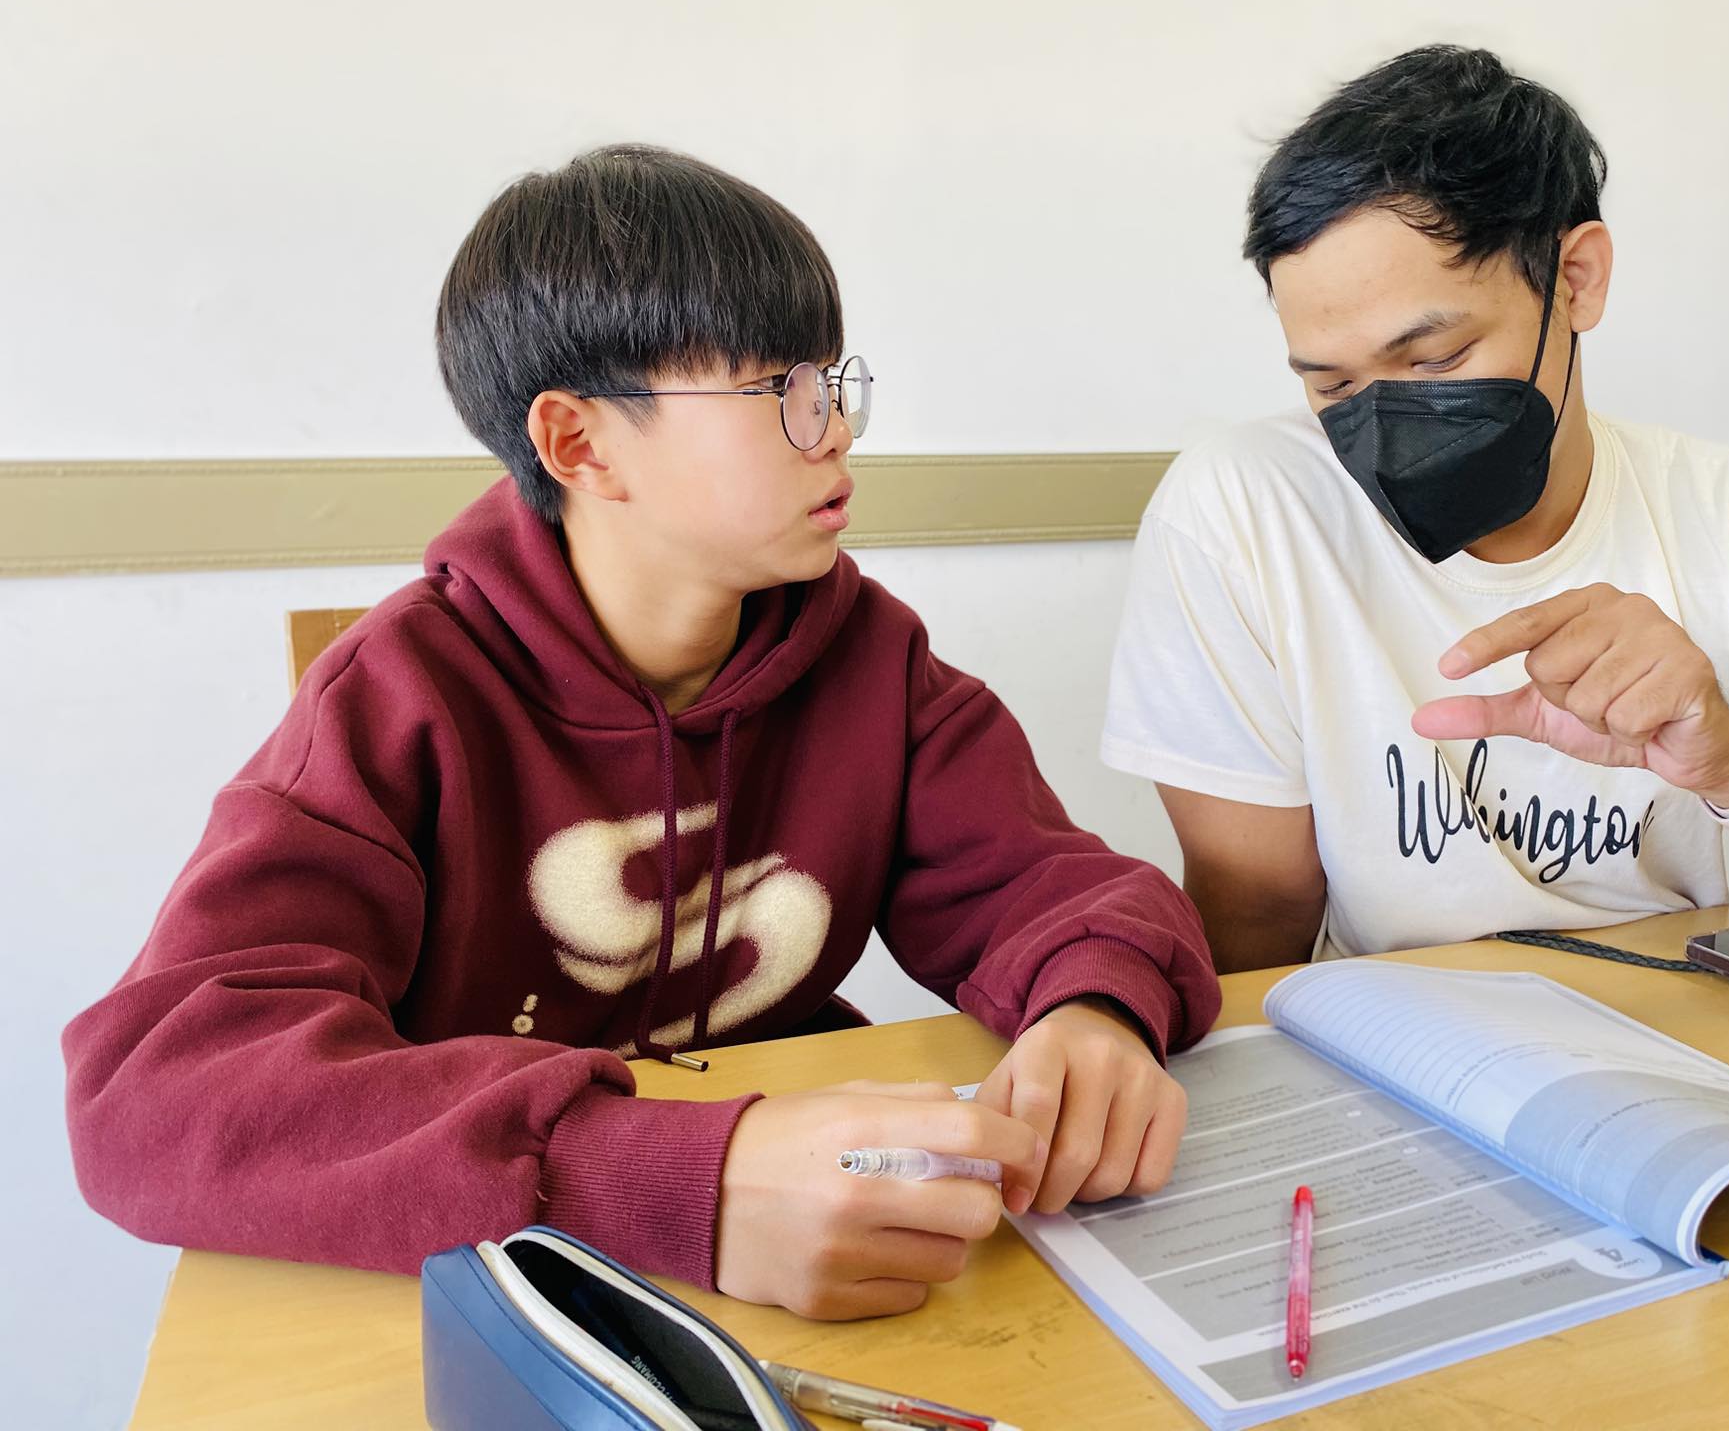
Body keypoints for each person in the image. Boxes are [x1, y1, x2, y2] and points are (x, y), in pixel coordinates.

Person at [64, 145, 1220, 1321]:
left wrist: (1094, 1007)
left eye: (833, 382)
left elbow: (1060, 889)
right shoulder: (400, 695)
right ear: (579, 445)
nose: (836, 431)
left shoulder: (869, 658)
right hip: (496, 1273)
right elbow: (156, 1095)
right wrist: (655, 1176)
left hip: (801, 1234)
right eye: (779, 392)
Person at [1102, 45, 1729, 987]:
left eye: (1436, 360)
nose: (1387, 428)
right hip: (1389, 1037)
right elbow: (1254, 925)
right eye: (1336, 386)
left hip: (1680, 1035)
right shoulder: (1245, 511)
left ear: (1577, 279)